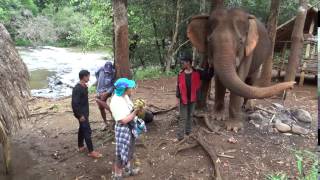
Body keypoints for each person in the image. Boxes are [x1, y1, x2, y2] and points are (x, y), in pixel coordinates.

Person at [176, 52, 214, 141]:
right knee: (183, 117)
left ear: (188, 62)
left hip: (193, 99)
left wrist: (212, 66)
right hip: (183, 99)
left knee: (190, 115)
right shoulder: (180, 73)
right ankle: (180, 137)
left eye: (183, 62)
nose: (182, 64)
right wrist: (177, 99)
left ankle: (188, 133)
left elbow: (208, 76)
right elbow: (178, 87)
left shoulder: (197, 72)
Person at [110, 78, 140, 180]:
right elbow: (123, 120)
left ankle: (128, 169)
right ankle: (117, 175)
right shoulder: (115, 101)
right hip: (123, 129)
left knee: (130, 149)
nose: (132, 89)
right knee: (121, 152)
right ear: (124, 89)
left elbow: (130, 109)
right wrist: (135, 112)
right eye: (130, 88)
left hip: (130, 127)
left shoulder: (125, 96)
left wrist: (138, 108)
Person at [71, 70, 102, 158]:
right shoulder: (77, 88)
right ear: (84, 77)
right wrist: (80, 115)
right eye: (88, 76)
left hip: (85, 113)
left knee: (82, 129)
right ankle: (91, 151)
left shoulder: (84, 86)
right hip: (82, 114)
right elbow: (74, 104)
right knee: (87, 131)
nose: (89, 78)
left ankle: (80, 146)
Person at [95, 61, 116, 130]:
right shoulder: (100, 69)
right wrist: (97, 80)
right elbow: (96, 73)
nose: (107, 72)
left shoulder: (113, 72)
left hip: (107, 91)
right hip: (99, 90)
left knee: (101, 100)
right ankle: (105, 122)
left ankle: (111, 112)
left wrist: (107, 92)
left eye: (108, 71)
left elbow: (113, 85)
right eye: (106, 71)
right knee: (100, 107)